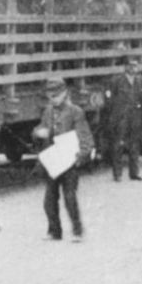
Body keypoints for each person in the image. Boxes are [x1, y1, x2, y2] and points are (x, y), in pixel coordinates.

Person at [33, 76, 94, 242]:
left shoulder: (75, 112)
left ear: (65, 93)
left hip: (69, 162)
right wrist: (39, 132)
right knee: (49, 201)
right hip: (53, 162)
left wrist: (80, 157)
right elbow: (40, 127)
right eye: (50, 97)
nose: (52, 100)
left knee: (70, 199)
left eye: (55, 96)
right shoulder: (48, 111)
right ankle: (54, 231)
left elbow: (85, 137)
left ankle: (77, 231)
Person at [102, 56, 142, 181]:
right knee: (118, 145)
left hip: (135, 117)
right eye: (131, 65)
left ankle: (134, 173)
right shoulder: (116, 81)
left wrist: (140, 111)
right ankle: (117, 174)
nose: (134, 68)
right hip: (121, 118)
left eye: (135, 65)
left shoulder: (140, 81)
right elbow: (108, 100)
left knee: (134, 145)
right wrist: (116, 115)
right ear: (125, 67)